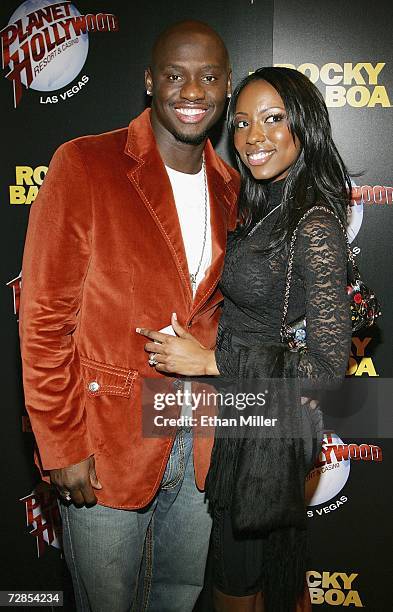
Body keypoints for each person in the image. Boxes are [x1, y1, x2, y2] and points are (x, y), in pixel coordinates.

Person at [19, 20, 239, 612]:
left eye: (208, 77)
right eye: (175, 75)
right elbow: (44, 319)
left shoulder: (234, 190)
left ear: (226, 87)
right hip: (106, 442)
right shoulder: (86, 164)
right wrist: (61, 445)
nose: (191, 91)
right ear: (149, 82)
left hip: (201, 443)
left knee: (178, 596)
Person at [138, 67, 352, 611]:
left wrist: (210, 361)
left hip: (265, 427)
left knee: (239, 582)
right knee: (262, 575)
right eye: (240, 123)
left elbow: (328, 368)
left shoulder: (314, 222)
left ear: (304, 124)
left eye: (272, 119)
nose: (253, 136)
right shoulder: (266, 207)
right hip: (244, 416)